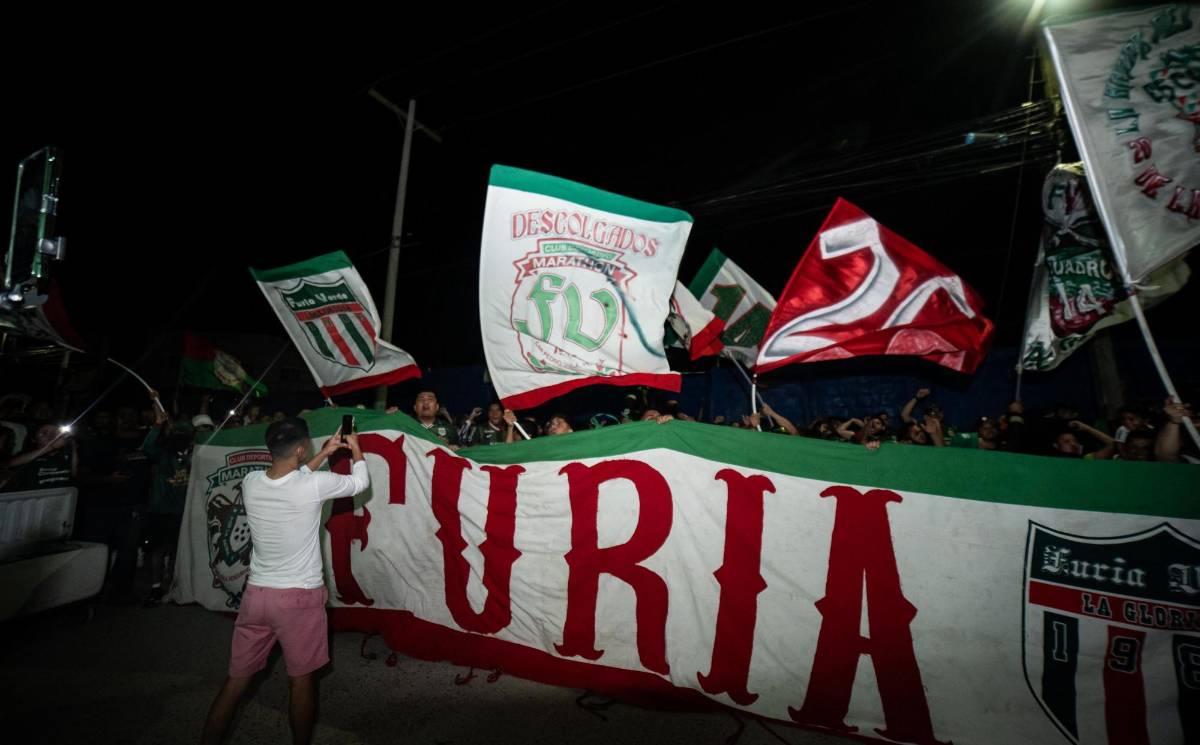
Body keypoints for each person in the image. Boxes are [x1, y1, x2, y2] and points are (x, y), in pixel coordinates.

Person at [202, 419, 369, 745]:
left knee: (235, 682)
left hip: (257, 597)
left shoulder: (251, 481)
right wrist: (355, 447)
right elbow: (360, 482)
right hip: (298, 599)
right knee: (301, 681)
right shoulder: (314, 485)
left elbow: (293, 477)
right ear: (300, 449)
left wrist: (325, 453)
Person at [0, 422, 77, 492]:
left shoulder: (63, 456)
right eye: (44, 433)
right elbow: (10, 464)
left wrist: (72, 444)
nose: (50, 435)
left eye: (54, 432)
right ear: (34, 439)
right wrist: (51, 447)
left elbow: (74, 474)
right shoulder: (26, 454)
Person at [1051, 420, 1116, 460]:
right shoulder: (1052, 462)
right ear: (1056, 445)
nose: (1073, 444)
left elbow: (1113, 444)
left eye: (1075, 441)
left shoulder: (1086, 459)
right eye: (1066, 442)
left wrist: (1087, 428)